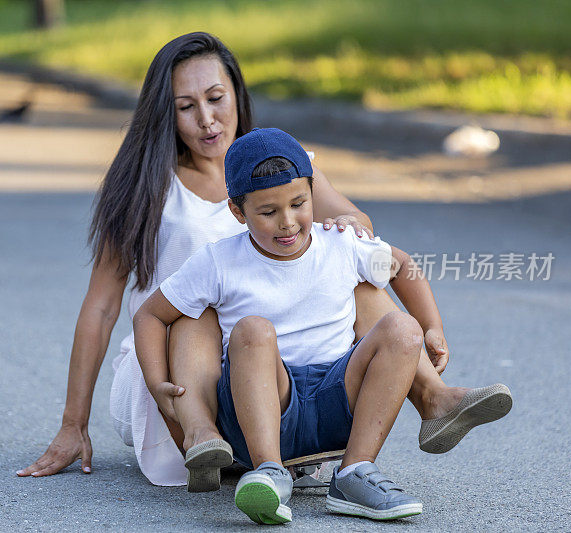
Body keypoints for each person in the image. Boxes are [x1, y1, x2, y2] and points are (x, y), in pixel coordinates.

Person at [16, 32, 502, 487]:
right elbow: (101, 309)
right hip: (177, 370)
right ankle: (204, 435)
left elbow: (359, 226)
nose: (206, 119)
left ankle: (431, 396)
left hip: (274, 360)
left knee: (357, 281)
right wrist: (72, 424)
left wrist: (351, 227)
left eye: (215, 98)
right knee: (199, 309)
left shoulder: (280, 168)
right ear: (166, 113)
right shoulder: (145, 189)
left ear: (236, 92)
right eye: (186, 107)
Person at [133, 128, 512, 523]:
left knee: (402, 328)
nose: (287, 222)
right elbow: (150, 314)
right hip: (264, 409)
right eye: (268, 212)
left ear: (314, 192)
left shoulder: (342, 244)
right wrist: (157, 382)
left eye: (299, 203)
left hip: (337, 399)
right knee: (253, 331)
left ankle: (354, 471)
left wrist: (432, 327)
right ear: (237, 212)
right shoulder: (218, 261)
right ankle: (269, 472)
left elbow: (402, 266)